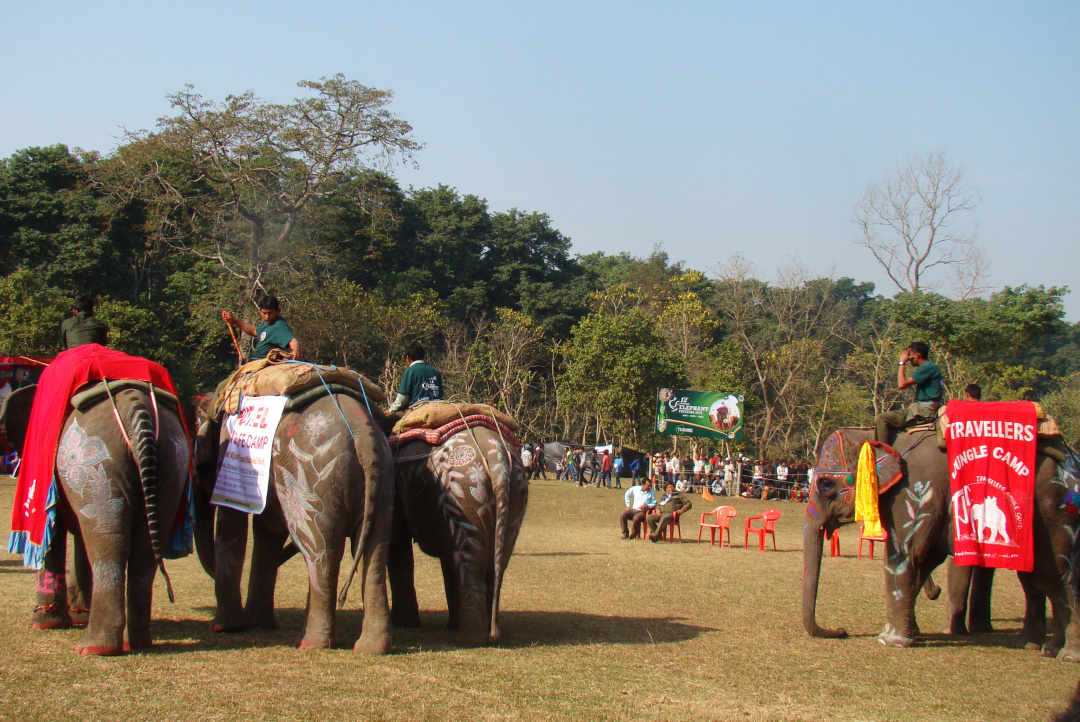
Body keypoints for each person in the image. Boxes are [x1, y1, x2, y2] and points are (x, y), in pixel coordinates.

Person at [875, 341, 944, 446]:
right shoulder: (931, 367)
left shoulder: (927, 368)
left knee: (882, 418)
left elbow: (901, 384)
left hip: (925, 412)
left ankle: (883, 454)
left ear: (917, 355)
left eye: (910, 357)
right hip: (924, 408)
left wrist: (902, 363)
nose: (909, 360)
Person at [221, 295, 299, 361]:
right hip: (255, 360)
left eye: (270, 313)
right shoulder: (267, 324)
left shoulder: (279, 325)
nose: (267, 316)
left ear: (278, 311)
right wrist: (234, 320)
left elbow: (292, 340)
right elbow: (254, 331)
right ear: (260, 311)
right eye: (264, 313)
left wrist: (295, 351)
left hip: (264, 361)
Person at [389, 341, 443, 413]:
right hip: (436, 408)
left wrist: (391, 409)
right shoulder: (435, 371)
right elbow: (440, 395)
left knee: (385, 420)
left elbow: (402, 399)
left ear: (408, 358)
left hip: (417, 410)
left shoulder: (410, 371)